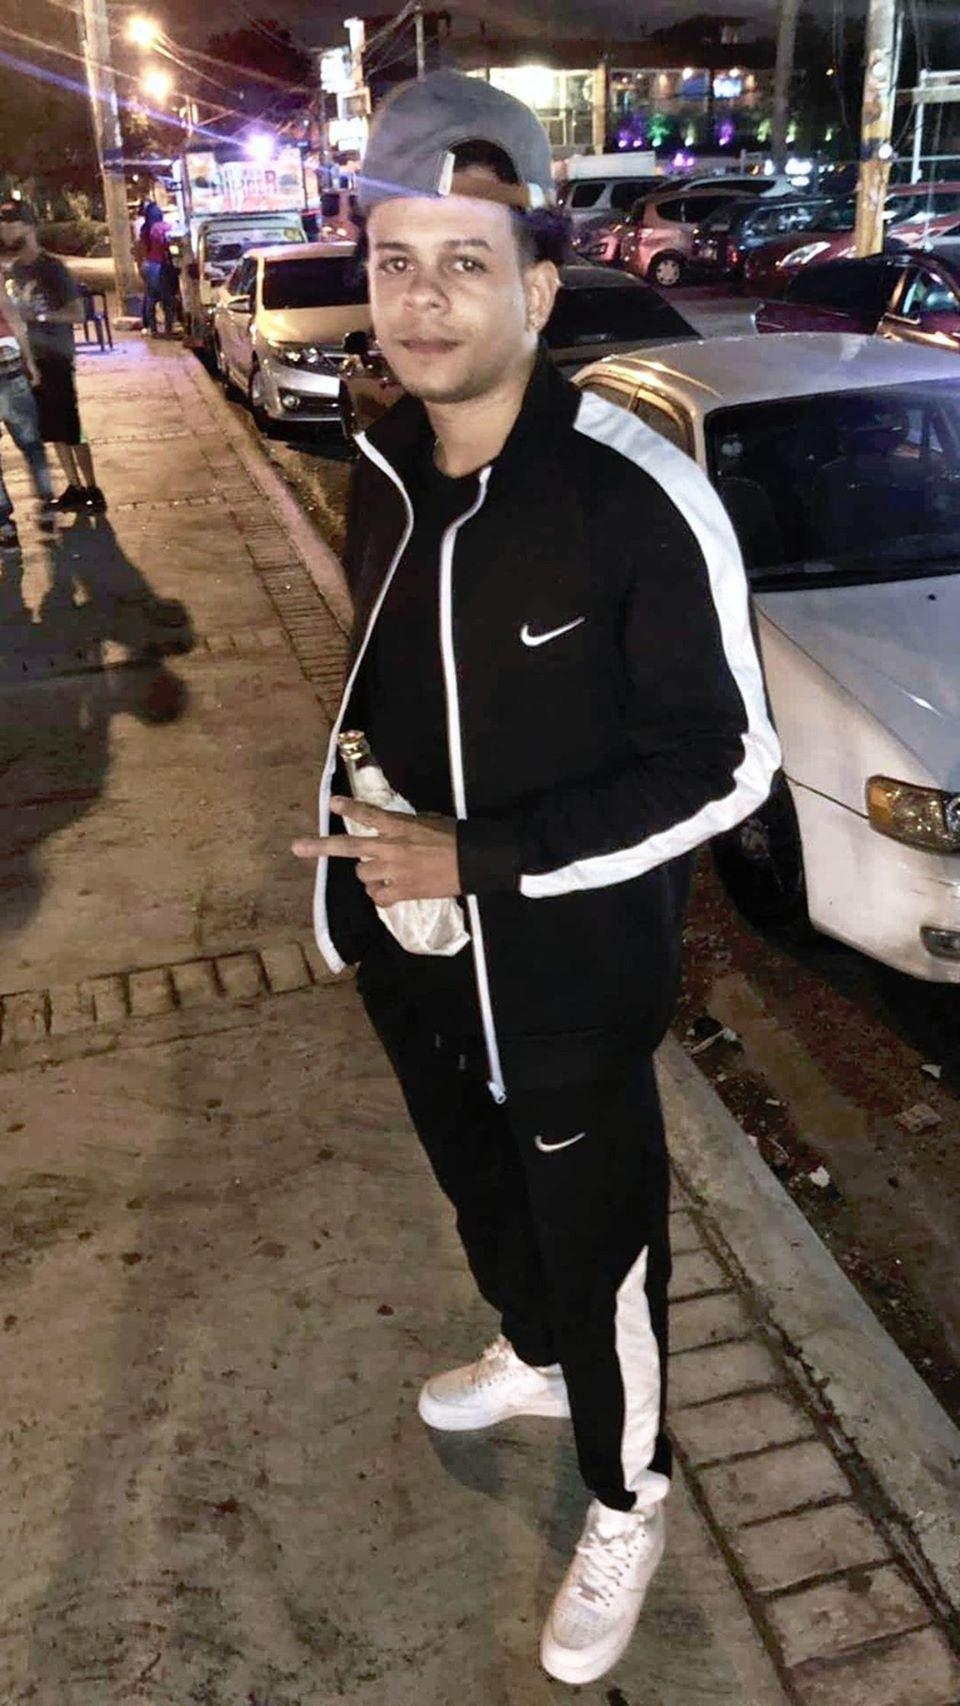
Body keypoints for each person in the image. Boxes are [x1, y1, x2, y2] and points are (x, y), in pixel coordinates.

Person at [294, 71, 779, 1687]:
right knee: (482, 1192)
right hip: (415, 944)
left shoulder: (637, 493)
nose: (423, 299)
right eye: (397, 260)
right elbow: (389, 674)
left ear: (542, 289)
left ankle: (629, 1492)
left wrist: (485, 856)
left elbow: (728, 766)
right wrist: (373, 829)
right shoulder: (380, 464)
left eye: (467, 262)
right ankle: (533, 1350)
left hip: (569, 980)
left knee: (603, 1239)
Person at [0, 200, 106, 513]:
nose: (5, 231)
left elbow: (78, 313)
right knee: (51, 428)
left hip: (57, 356)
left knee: (72, 426)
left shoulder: (52, 268)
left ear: (29, 227)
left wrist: (40, 317)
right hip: (31, 359)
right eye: (2, 225)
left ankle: (92, 488)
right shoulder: (16, 270)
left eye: (11, 224)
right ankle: (73, 486)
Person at [0, 281, 56, 549]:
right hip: (9, 368)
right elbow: (13, 318)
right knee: (32, 446)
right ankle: (46, 505)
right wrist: (31, 363)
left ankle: (5, 526)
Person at [137, 202, 177, 338]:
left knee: (151, 297)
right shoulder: (165, 227)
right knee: (167, 298)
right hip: (162, 265)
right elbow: (168, 245)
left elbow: (142, 248)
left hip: (148, 264)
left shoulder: (144, 229)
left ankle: (152, 329)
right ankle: (169, 330)